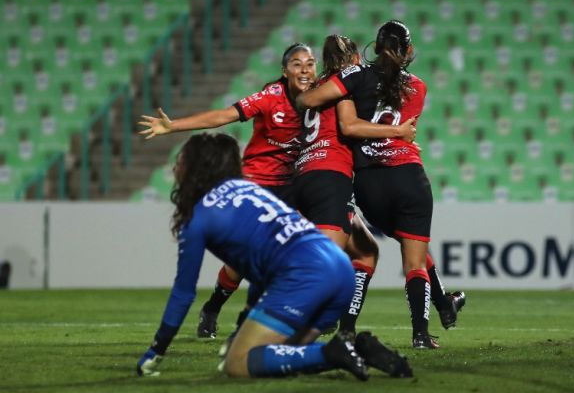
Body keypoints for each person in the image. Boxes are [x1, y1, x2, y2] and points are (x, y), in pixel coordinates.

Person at [135, 133, 412, 379]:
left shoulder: (198, 218)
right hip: (339, 267)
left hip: (305, 276)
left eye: (181, 160)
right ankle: (359, 350)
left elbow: (184, 293)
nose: (175, 167)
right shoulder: (250, 189)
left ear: (195, 169)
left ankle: (333, 353)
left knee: (238, 364)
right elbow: (264, 265)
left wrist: (157, 349)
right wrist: (243, 325)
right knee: (276, 355)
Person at [297, 20, 465, 349]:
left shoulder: (356, 76)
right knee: (414, 258)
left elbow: (314, 103)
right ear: (410, 51)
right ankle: (420, 333)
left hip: (370, 183)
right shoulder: (418, 86)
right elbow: (401, 120)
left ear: (373, 47)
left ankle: (443, 302)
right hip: (408, 177)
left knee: (396, 241)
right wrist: (398, 134)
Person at [139, 43, 317, 340]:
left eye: (310, 64)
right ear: (285, 72)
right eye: (297, 64)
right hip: (258, 181)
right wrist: (174, 127)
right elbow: (223, 116)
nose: (304, 70)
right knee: (244, 260)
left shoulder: (321, 97)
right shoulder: (270, 96)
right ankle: (213, 308)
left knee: (304, 244)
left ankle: (299, 316)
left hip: (294, 183)